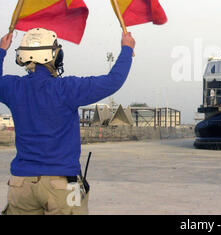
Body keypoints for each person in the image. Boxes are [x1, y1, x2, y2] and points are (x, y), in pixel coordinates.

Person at [0, 27, 135, 215]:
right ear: (54, 55)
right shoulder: (67, 88)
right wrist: (127, 50)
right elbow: (112, 81)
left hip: (20, 185)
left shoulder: (11, 87)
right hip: (63, 184)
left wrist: (1, 50)